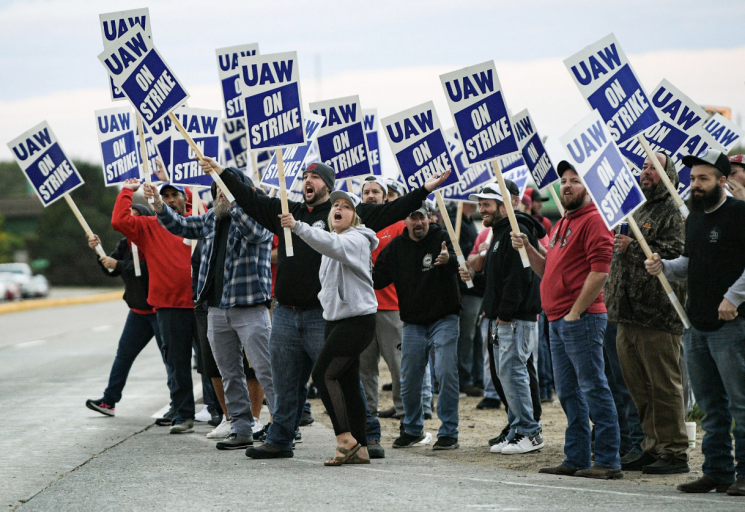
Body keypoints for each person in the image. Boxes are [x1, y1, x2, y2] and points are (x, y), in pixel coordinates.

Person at [200, 157, 450, 459]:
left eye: (315, 177)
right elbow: (251, 199)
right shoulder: (287, 210)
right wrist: (221, 172)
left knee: (340, 377)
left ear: (328, 187)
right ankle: (281, 438)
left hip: (323, 316)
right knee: (284, 380)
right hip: (285, 314)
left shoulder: (345, 215)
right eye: (305, 176)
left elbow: (391, 210)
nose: (308, 181)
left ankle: (366, 435)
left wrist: (424, 189)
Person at [144, 170, 274, 451]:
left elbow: (256, 234)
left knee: (265, 369)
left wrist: (237, 200)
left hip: (250, 306)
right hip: (216, 307)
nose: (219, 193)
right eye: (216, 189)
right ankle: (241, 427)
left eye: (225, 189)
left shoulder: (257, 216)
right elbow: (182, 226)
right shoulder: (213, 219)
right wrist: (158, 205)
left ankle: (284, 425)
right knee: (229, 372)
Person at [512, 161, 621, 479]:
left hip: (581, 319)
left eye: (575, 180)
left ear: (589, 188)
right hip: (559, 319)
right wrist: (530, 249)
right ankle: (575, 457)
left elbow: (600, 271)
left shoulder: (595, 221)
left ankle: (608, 460)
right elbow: (548, 270)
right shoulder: (563, 223)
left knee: (594, 388)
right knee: (569, 391)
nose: (567, 185)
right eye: (564, 181)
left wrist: (575, 312)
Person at [646, 149, 745, 496]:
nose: (695, 185)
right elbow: (688, 264)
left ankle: (744, 474)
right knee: (711, 407)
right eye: (692, 179)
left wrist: (734, 297)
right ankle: (717, 471)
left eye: (703, 179)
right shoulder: (696, 218)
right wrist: (664, 266)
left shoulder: (740, 213)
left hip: (731, 327)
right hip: (696, 325)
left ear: (723, 180)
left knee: (740, 404)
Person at [279, 189, 378, 465]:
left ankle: (345, 439)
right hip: (335, 321)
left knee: (323, 375)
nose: (339, 208)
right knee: (346, 381)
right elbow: (326, 253)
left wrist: (298, 226)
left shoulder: (357, 238)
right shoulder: (336, 239)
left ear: (354, 216)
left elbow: (327, 244)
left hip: (358, 321)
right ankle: (361, 447)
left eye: (346, 206)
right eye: (336, 204)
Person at [605, 152, 689, 474]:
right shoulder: (636, 208)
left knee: (664, 386)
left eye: (655, 167)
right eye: (644, 166)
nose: (647, 172)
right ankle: (651, 446)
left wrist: (634, 247)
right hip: (627, 314)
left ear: (669, 174)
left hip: (658, 315)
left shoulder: (676, 211)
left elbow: (676, 256)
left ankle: (674, 452)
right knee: (639, 386)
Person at [461, 183, 546, 454]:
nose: (481, 209)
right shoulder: (496, 234)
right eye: (480, 203)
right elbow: (498, 282)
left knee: (515, 374)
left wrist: (506, 315)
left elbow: (520, 279)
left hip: (515, 319)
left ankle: (530, 433)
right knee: (506, 376)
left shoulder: (517, 231)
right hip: (503, 318)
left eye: (487, 204)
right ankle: (517, 428)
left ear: (504, 205)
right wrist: (475, 278)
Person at [373, 202, 462, 450]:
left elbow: (464, 265)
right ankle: (412, 429)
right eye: (413, 218)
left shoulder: (443, 237)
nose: (419, 222)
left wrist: (450, 260)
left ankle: (449, 432)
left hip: (444, 318)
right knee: (409, 378)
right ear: (406, 221)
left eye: (423, 217)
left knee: (445, 373)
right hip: (412, 322)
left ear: (430, 218)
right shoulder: (396, 247)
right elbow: (377, 279)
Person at [111, 179, 196, 434]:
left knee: (210, 363)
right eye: (165, 194)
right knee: (177, 363)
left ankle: (218, 412)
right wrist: (128, 191)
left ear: (186, 198)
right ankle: (183, 414)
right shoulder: (149, 225)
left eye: (175, 194)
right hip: (168, 306)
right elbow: (119, 222)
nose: (170, 199)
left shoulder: (198, 221)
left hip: (202, 303)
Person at [84, 205, 171, 416]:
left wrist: (119, 264)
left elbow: (148, 269)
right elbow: (111, 270)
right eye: (128, 217)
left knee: (171, 360)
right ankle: (108, 401)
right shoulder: (124, 244)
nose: (130, 221)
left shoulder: (155, 241)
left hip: (161, 311)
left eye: (135, 217)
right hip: (138, 313)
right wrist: (99, 252)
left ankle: (178, 405)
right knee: (123, 356)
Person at [358, 176, 407, 420]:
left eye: (376, 191)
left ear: (385, 196)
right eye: (366, 191)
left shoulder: (398, 225)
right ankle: (367, 410)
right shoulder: (355, 226)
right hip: (362, 308)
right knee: (365, 367)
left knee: (398, 365)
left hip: (391, 306)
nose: (370, 196)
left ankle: (404, 409)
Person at [448, 201, 483, 397]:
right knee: (464, 336)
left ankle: (470, 377)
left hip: (474, 289)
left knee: (471, 336)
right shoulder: (455, 221)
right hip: (463, 288)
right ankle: (462, 379)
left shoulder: (468, 222)